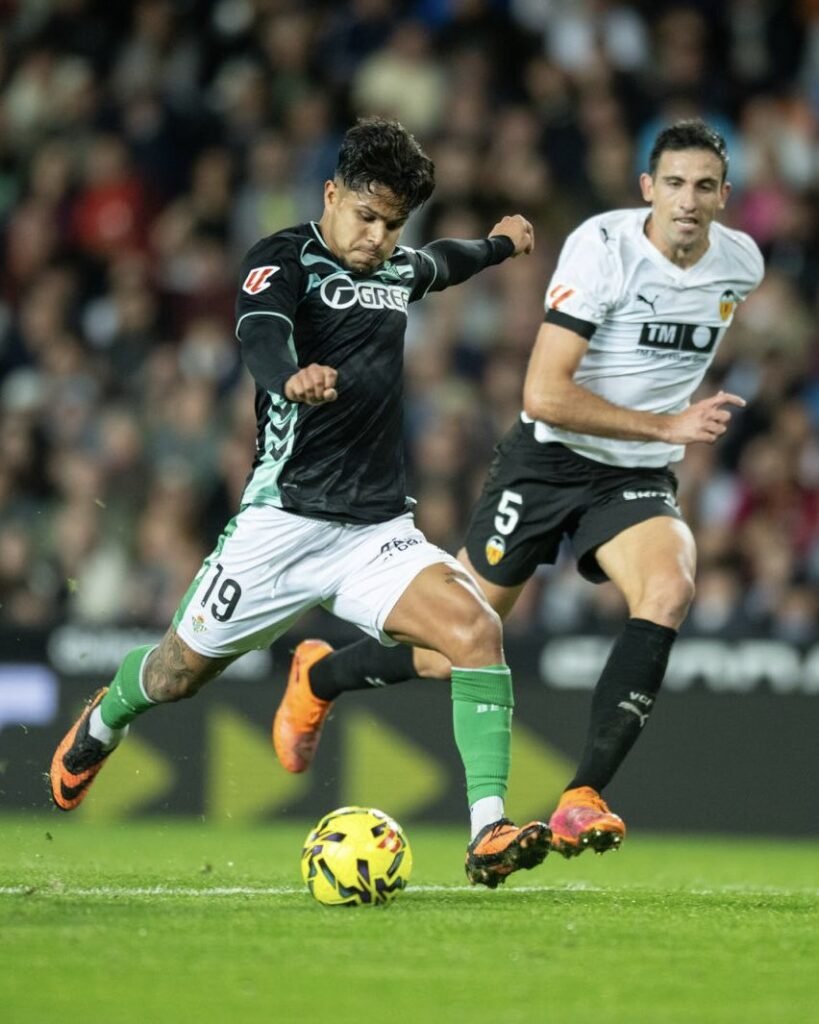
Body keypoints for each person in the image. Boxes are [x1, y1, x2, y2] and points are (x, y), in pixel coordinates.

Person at [49, 116, 549, 888]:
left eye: (392, 224)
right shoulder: (283, 258)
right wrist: (286, 375)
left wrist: (500, 244)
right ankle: (104, 719)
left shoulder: (392, 267)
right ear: (330, 193)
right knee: (178, 675)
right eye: (366, 216)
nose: (378, 237)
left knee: (475, 632)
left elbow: (439, 264)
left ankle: (487, 833)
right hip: (280, 526)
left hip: (376, 529)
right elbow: (259, 331)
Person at [272, 119, 765, 857]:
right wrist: (666, 426)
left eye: (701, 186)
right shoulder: (603, 250)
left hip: (629, 476)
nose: (685, 201)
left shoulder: (741, 264)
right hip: (547, 460)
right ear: (646, 190)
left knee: (669, 585)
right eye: (671, 184)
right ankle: (322, 673)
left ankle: (580, 795)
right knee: (452, 650)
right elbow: (541, 394)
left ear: (723, 197)